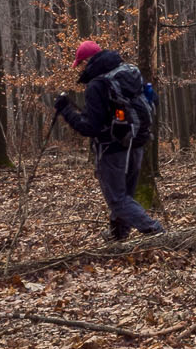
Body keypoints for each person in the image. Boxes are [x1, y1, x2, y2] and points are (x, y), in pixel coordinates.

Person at [54, 40, 164, 241]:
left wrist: (65, 110)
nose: (80, 68)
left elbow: (90, 127)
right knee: (125, 196)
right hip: (136, 141)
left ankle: (156, 231)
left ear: (88, 60)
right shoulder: (129, 72)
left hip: (111, 149)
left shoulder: (97, 85)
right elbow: (153, 100)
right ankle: (118, 236)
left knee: (117, 199)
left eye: (81, 63)